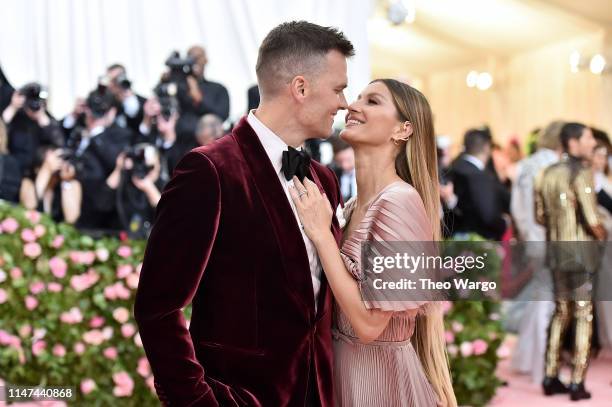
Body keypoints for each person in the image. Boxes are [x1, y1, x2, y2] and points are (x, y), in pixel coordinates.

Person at [134, 21, 354, 406]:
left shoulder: (324, 179)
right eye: (338, 89)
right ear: (300, 88)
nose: (344, 103)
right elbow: (158, 307)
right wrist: (198, 400)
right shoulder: (210, 170)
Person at [290, 79, 456, 407]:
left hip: (378, 383)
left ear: (403, 130)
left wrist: (322, 235)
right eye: (359, 97)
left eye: (373, 101)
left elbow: (368, 326)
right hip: (343, 376)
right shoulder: (351, 207)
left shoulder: (399, 202)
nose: (354, 105)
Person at [536, 122, 606, 401]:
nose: (591, 143)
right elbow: (592, 220)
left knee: (560, 312)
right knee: (583, 314)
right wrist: (601, 235)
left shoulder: (546, 172)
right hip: (580, 253)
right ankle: (577, 381)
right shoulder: (582, 172)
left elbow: (540, 215)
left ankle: (550, 376)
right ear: (573, 143)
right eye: (588, 138)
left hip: (555, 251)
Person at [508, 121, 563, 384]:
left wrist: (527, 234)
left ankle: (525, 358)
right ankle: (545, 366)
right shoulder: (554, 167)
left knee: (539, 298)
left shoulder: (524, 166)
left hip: (532, 239)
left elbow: (516, 207)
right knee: (548, 303)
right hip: (551, 240)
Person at [449, 128, 510, 240]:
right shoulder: (477, 175)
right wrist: (504, 223)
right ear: (487, 148)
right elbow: (488, 216)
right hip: (479, 240)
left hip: (456, 237)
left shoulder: (455, 167)